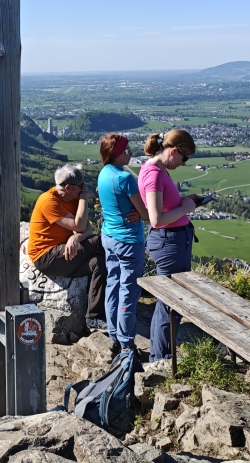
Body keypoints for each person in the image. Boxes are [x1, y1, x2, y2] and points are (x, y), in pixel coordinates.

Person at [141, 129, 209, 363]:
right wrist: (187, 208)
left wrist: (185, 200)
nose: (183, 163)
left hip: (173, 241)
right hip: (169, 241)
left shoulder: (158, 170)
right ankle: (161, 359)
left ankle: (161, 355)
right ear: (174, 151)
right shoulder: (154, 173)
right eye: (183, 158)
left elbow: (166, 208)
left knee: (170, 300)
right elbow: (157, 219)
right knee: (171, 301)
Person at [28, 164, 108, 333]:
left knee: (98, 263)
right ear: (68, 188)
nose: (84, 189)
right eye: (81, 187)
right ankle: (131, 281)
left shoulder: (71, 198)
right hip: (46, 257)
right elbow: (81, 225)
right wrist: (85, 198)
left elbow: (86, 229)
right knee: (99, 243)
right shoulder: (48, 201)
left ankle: (93, 317)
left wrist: (76, 237)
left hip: (65, 254)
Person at [98, 133, 149, 359]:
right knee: (128, 291)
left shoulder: (103, 174)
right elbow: (147, 214)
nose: (130, 153)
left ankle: (113, 336)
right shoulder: (125, 179)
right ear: (116, 153)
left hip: (108, 236)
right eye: (127, 150)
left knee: (113, 285)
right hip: (128, 241)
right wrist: (140, 212)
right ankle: (127, 343)